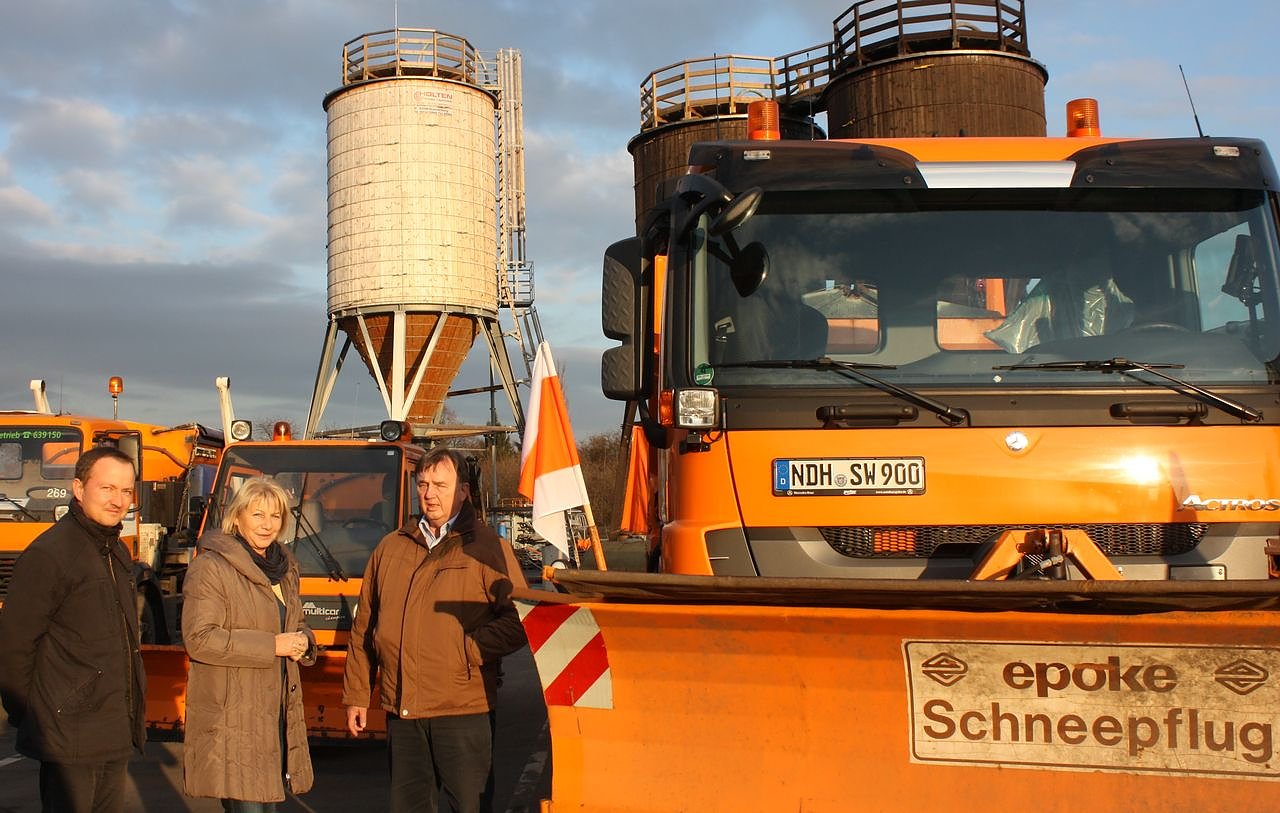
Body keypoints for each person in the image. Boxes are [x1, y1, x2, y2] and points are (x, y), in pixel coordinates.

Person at [343, 447, 528, 813]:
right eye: (423, 484)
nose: (429, 494)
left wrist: (466, 651)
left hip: (462, 709)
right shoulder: (390, 548)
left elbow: (520, 620)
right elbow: (365, 628)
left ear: (463, 491)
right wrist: (357, 695)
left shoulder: (488, 548)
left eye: (441, 485)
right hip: (403, 712)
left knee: (470, 806)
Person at [0, 446, 146, 813]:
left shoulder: (116, 551)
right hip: (68, 732)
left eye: (126, 491)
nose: (118, 501)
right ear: (79, 489)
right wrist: (32, 714)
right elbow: (15, 645)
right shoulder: (50, 554)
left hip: (112, 726)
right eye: (107, 488)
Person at [181, 477, 315, 811]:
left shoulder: (284, 568)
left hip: (276, 714)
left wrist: (305, 641)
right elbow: (200, 639)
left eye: (275, 516)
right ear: (237, 517)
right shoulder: (212, 567)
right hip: (235, 721)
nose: (267, 525)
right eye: (257, 515)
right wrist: (272, 646)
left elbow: (295, 623)